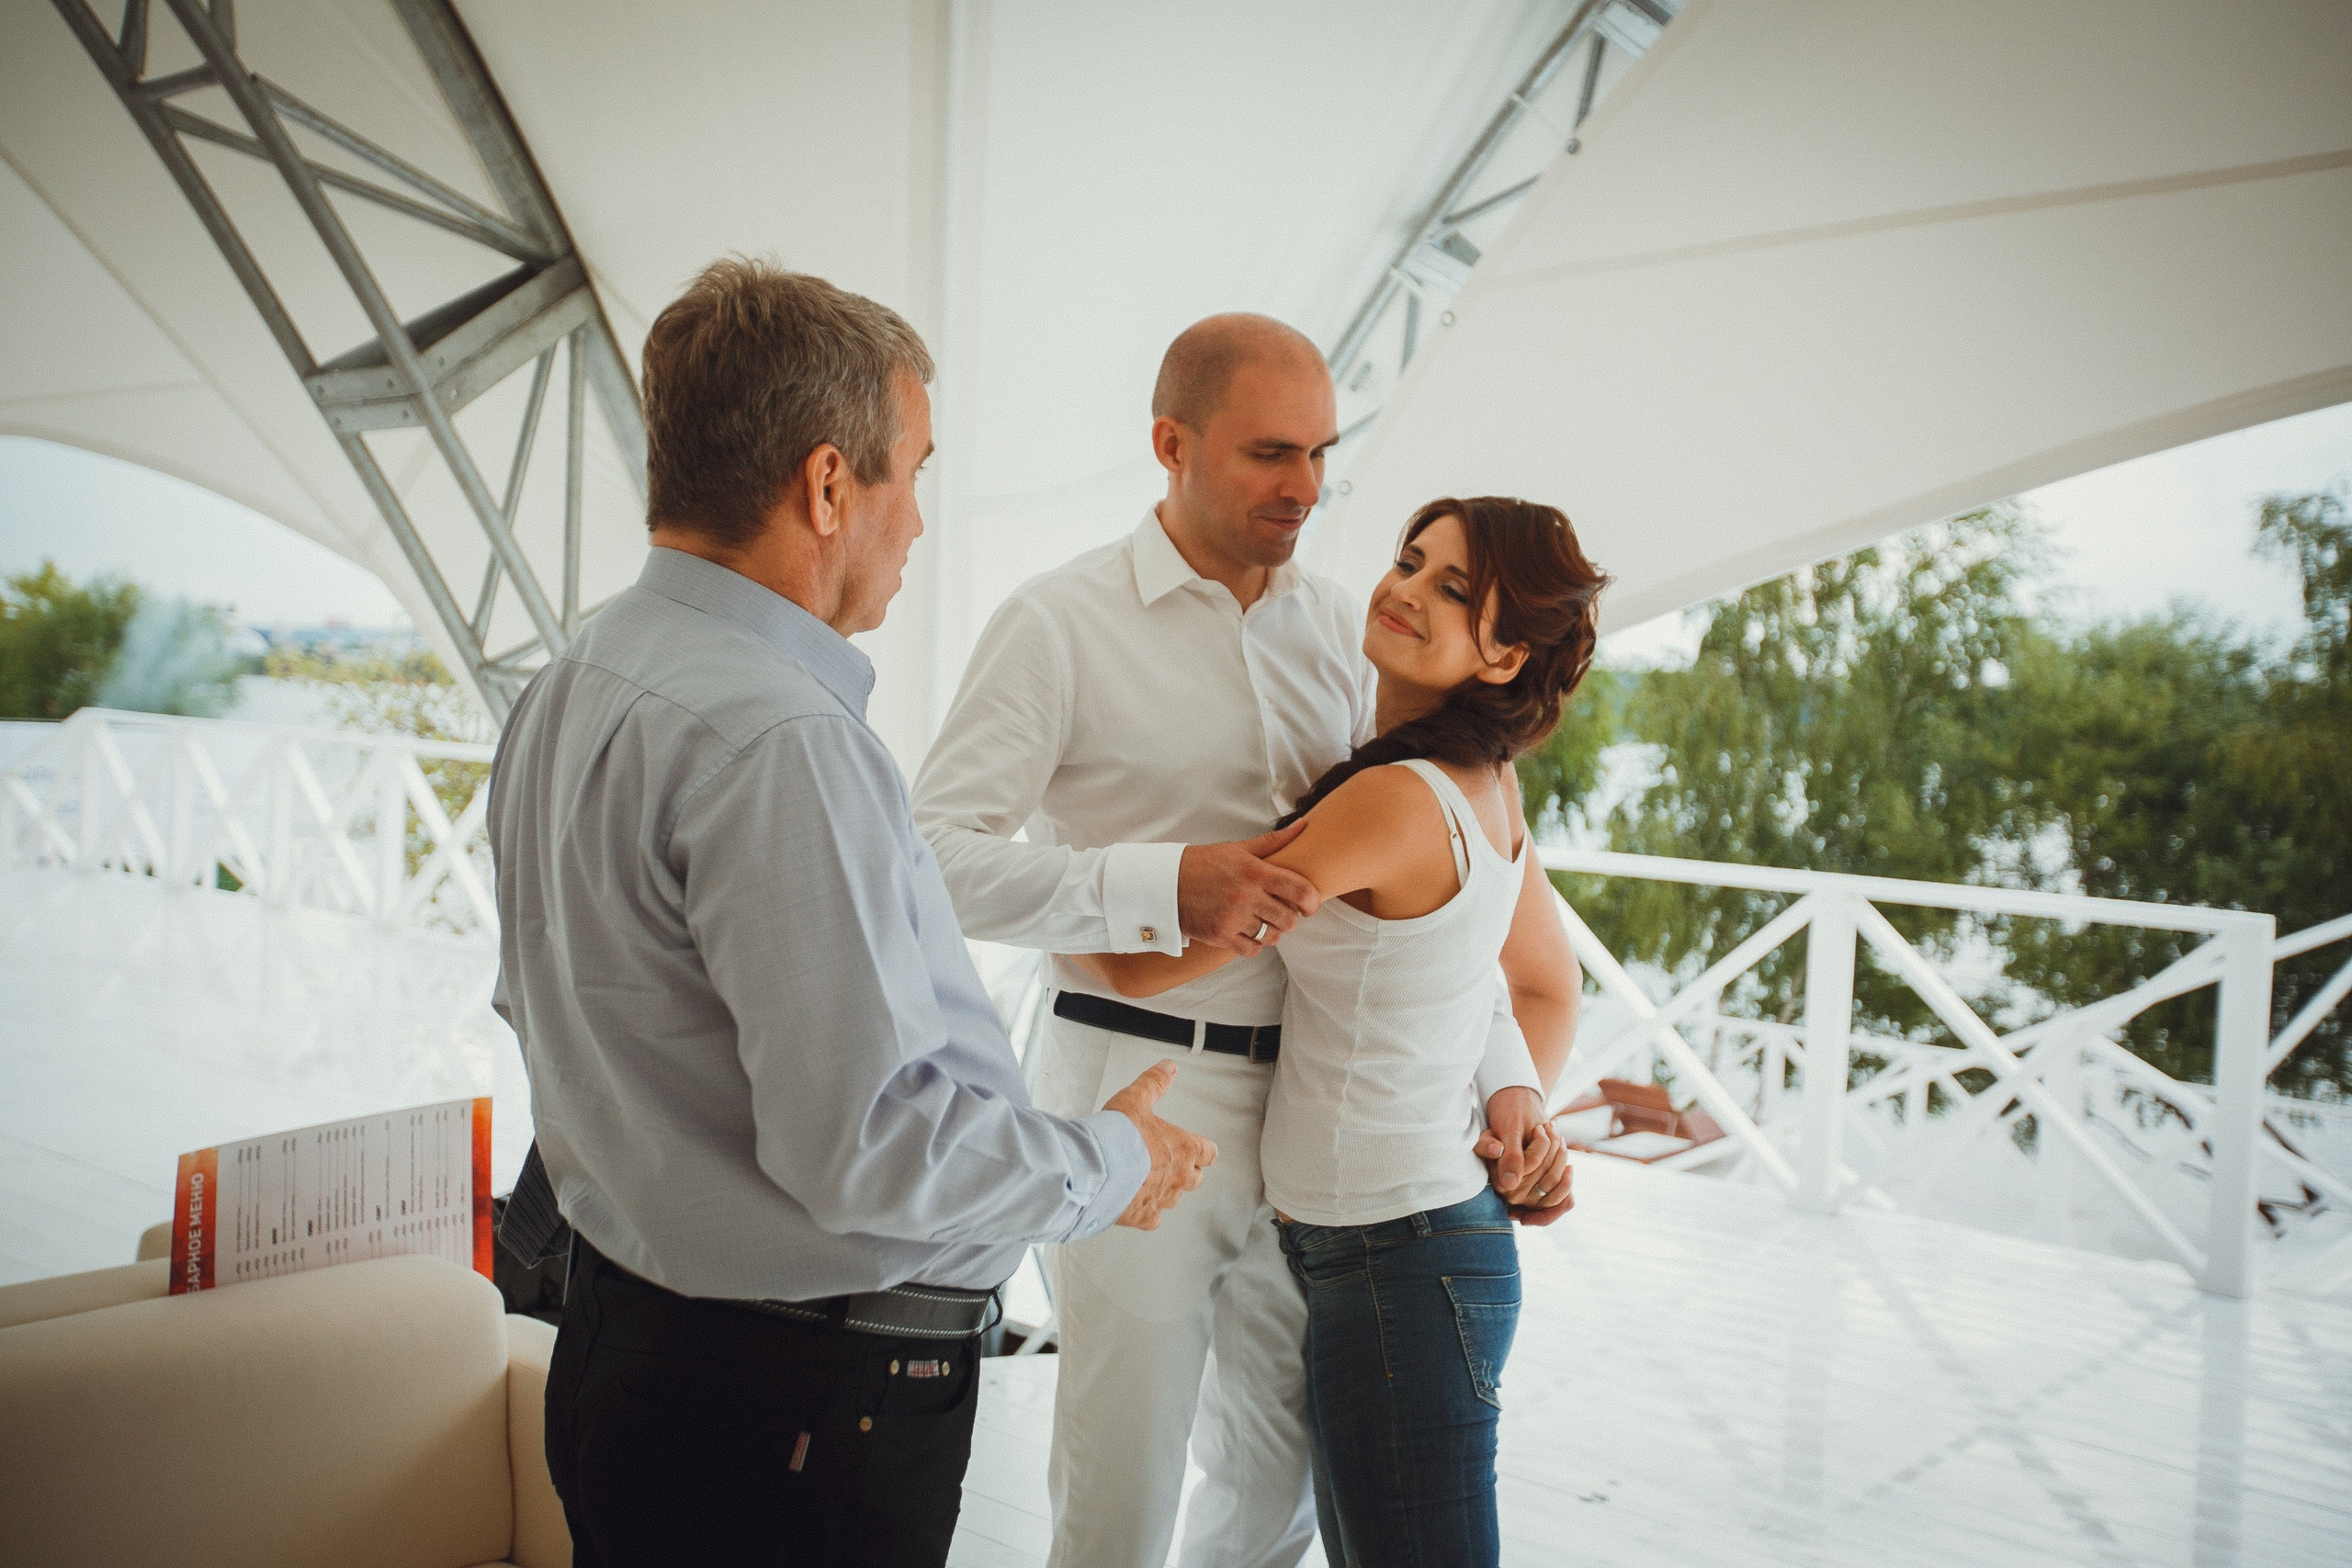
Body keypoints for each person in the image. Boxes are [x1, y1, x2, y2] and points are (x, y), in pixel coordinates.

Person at [487, 259, 1217, 1568]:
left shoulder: (576, 674)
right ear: (828, 486)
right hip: (786, 1415)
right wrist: (1110, 1160)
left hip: (623, 1344)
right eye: (913, 474)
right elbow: (869, 1150)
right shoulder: (782, 741)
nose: (920, 523)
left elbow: (539, 1006)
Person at [910, 317, 1573, 1568]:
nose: (1306, 487)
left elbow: (1445, 916)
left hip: (1318, 1132)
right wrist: (1152, 886)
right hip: (1137, 1084)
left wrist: (1511, 1085)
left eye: (1322, 452)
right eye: (1272, 452)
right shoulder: (1057, 623)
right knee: (1121, 1487)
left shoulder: (1354, 634)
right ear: (1172, 444)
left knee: (1280, 1491)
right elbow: (929, 857)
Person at [1075, 495, 1605, 1566]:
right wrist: (1516, 1109)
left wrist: (1030, 882)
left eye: (1452, 588)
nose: (1404, 590)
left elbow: (1143, 964)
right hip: (1408, 1239)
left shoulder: (1397, 799)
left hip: (1397, 1253)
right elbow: (1524, 986)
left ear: (1505, 656)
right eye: (1409, 561)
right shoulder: (1482, 783)